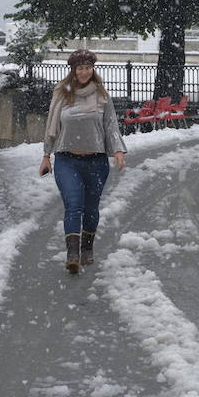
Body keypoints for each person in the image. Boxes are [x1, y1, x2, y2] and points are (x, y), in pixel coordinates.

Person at [40, 49, 127, 274]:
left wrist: (117, 150)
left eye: (88, 68)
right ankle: (72, 254)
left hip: (96, 161)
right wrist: (46, 156)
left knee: (91, 208)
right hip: (66, 160)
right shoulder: (62, 94)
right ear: (73, 70)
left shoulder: (101, 95)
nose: (84, 72)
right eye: (80, 68)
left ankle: (87, 248)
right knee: (74, 205)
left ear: (92, 70)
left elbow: (110, 126)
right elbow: (52, 126)